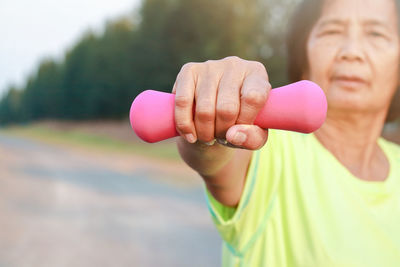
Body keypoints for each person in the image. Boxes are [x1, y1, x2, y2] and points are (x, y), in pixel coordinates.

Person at [173, 0, 400, 266]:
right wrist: (212, 124)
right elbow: (216, 158)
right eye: (331, 31)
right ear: (302, 54)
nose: (352, 52)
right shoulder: (266, 147)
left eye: (376, 33)